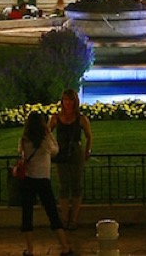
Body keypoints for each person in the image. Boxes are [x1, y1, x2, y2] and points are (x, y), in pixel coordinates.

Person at [17, 111, 71, 256]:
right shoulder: (46, 139)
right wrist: (50, 133)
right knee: (52, 213)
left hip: (28, 179)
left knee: (27, 214)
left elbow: (20, 154)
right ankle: (65, 246)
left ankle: (30, 249)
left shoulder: (24, 139)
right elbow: (55, 151)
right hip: (43, 179)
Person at [49, 88, 93, 231]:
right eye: (66, 100)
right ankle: (66, 218)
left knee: (76, 185)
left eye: (70, 100)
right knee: (64, 186)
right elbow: (47, 134)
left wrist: (86, 151)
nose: (68, 103)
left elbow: (89, 136)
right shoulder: (56, 118)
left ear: (75, 101)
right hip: (61, 153)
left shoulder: (81, 119)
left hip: (75, 153)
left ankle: (72, 219)